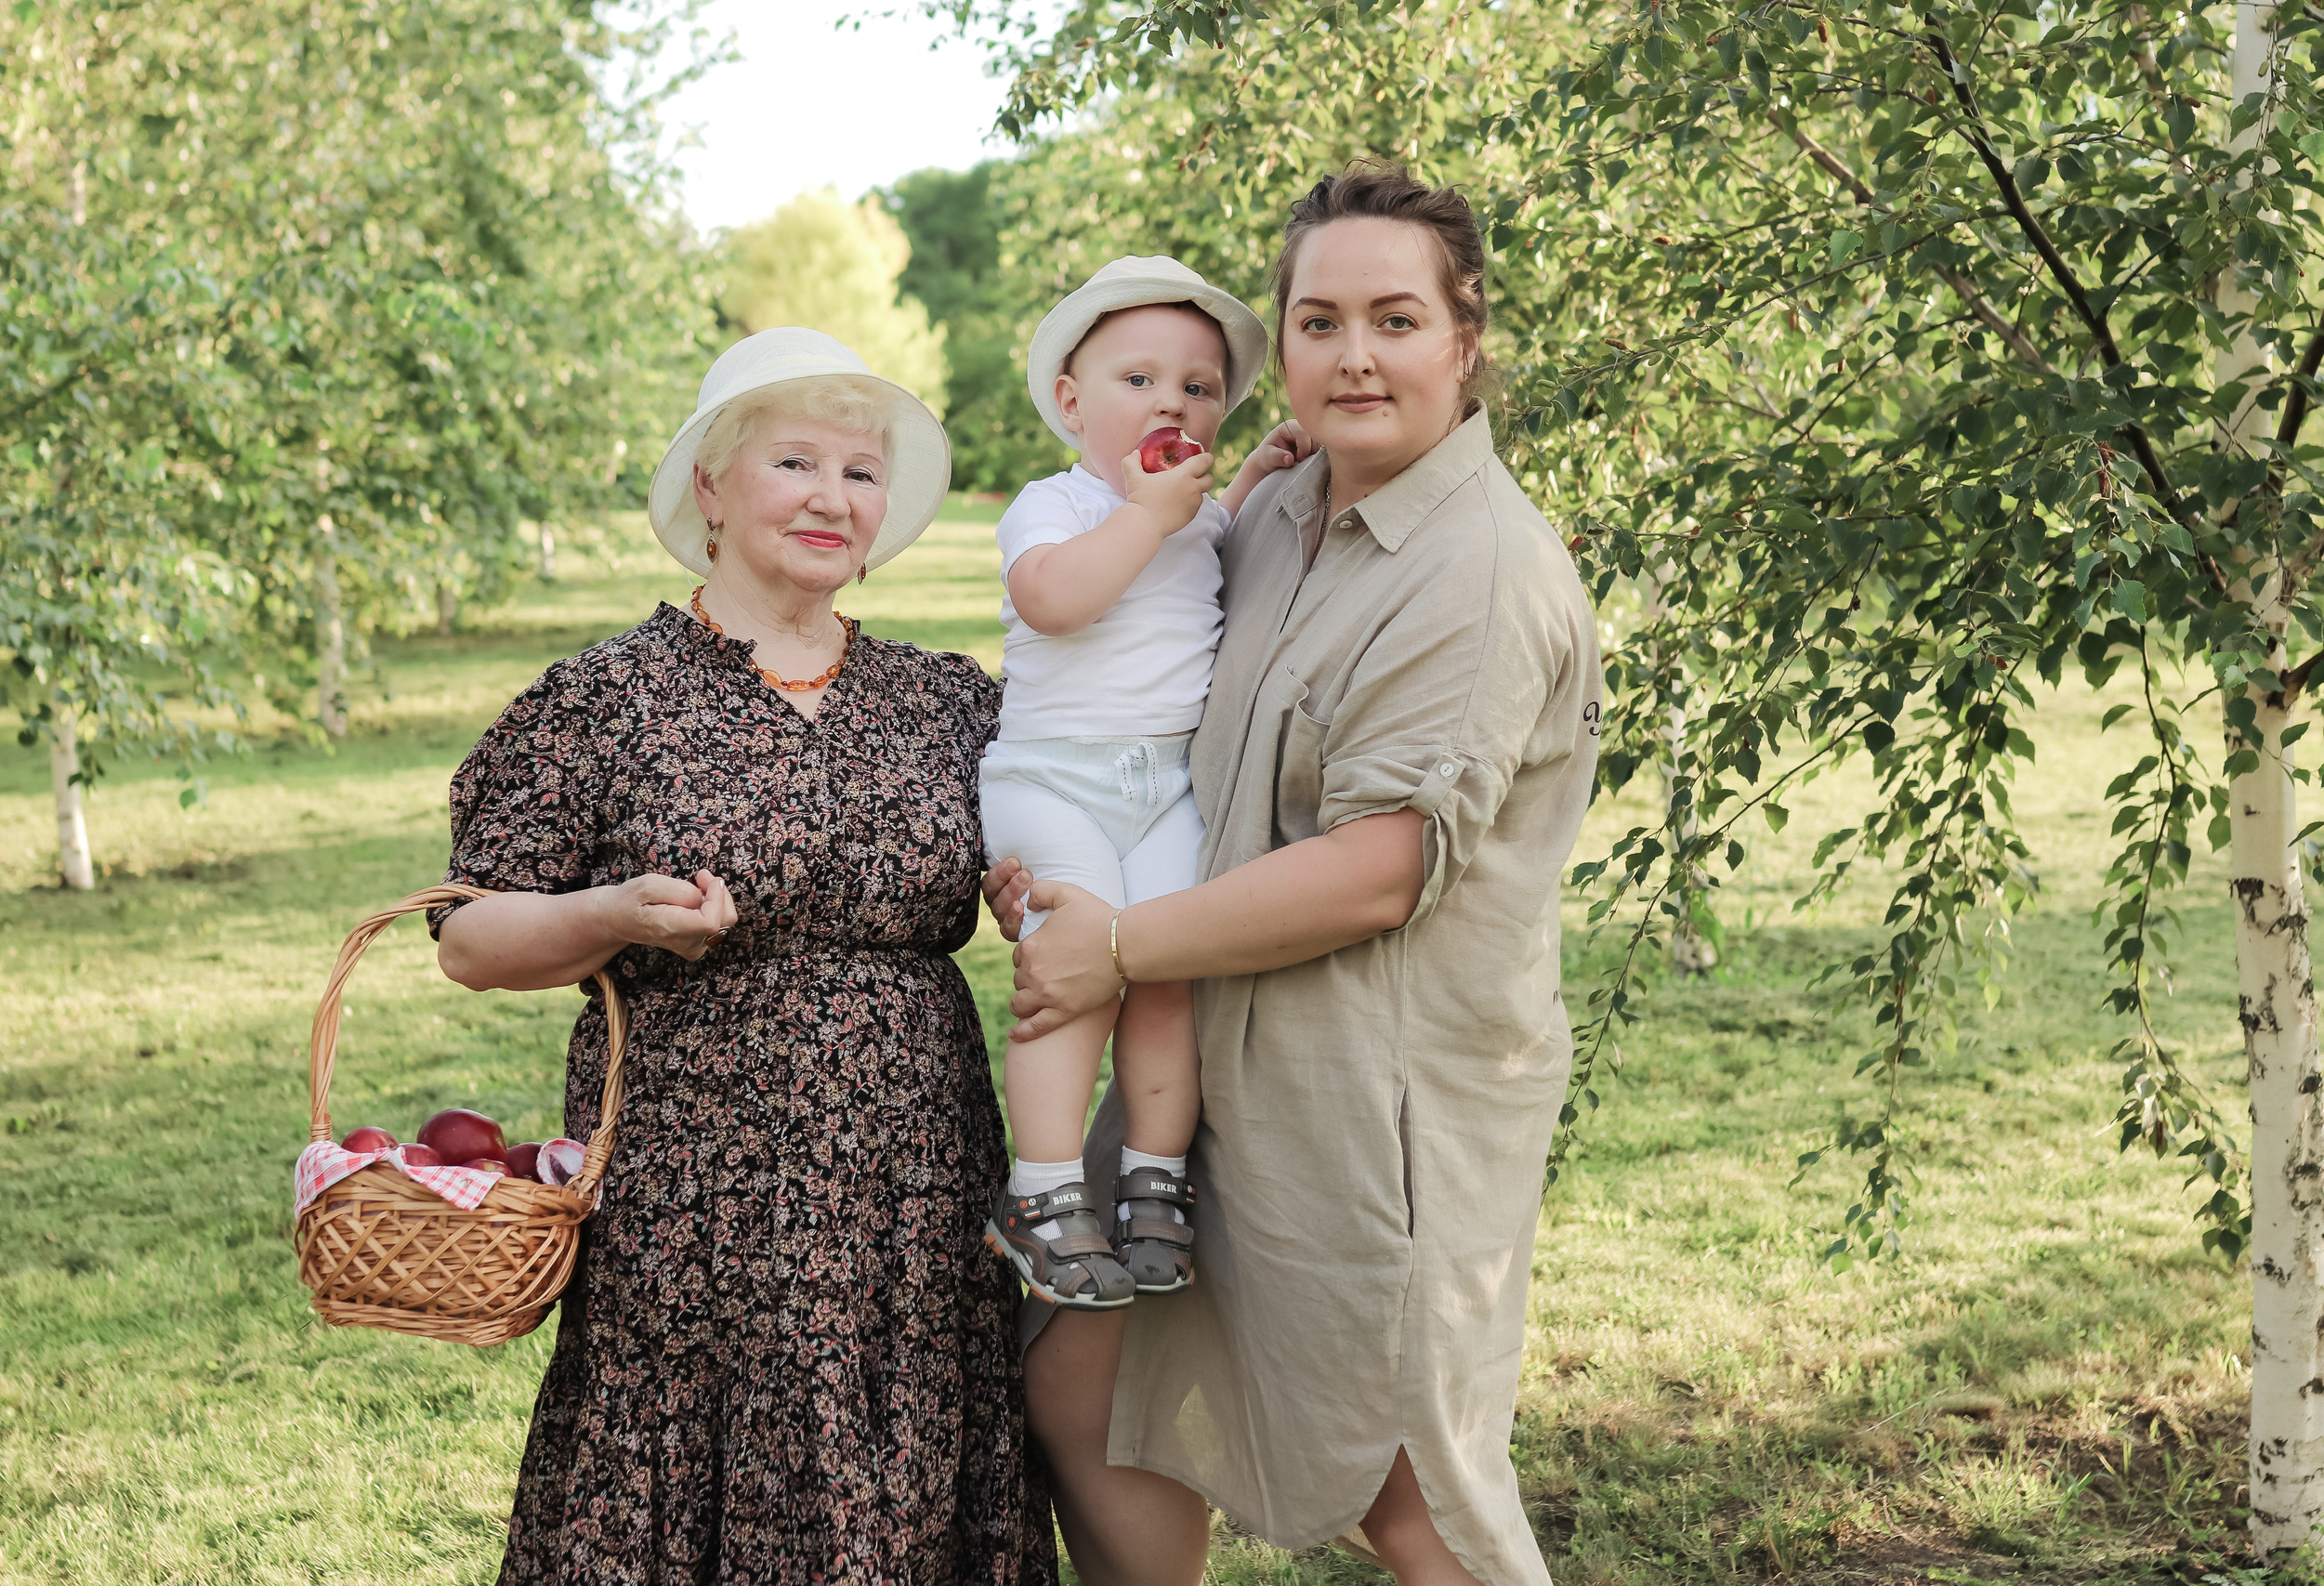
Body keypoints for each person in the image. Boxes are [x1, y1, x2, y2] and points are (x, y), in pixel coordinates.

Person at [989, 165, 1605, 1586]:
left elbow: (1381, 869)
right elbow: (1131, 708)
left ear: (1466, 340)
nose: (1355, 354)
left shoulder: (1480, 567)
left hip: (1372, 1095)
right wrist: (1057, 854)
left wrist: (1118, 941)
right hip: (1200, 1059)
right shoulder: (1266, 516)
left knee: (1408, 1485)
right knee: (1086, 1397)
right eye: (1318, 320)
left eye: (1396, 317)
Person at [429, 327, 1055, 1586]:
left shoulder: (953, 702)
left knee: (908, 1457)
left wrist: (1031, 879)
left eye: (862, 473)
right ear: (711, 489)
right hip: (694, 1201)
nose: (834, 497)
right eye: (795, 461)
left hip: (913, 1191)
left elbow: (1059, 849)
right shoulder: (604, 699)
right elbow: (471, 936)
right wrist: (614, 909)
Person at [978, 256, 1309, 1310]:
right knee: (1073, 974)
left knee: (1167, 968)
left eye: (1199, 388)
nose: (1172, 400)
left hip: (1166, 782)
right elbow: (1053, 602)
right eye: (1139, 381)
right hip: (1052, 780)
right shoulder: (1057, 505)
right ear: (1072, 405)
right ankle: (1040, 1191)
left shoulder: (1197, 514)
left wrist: (1246, 478)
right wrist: (1148, 515)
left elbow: (1210, 540)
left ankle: (1153, 1179)